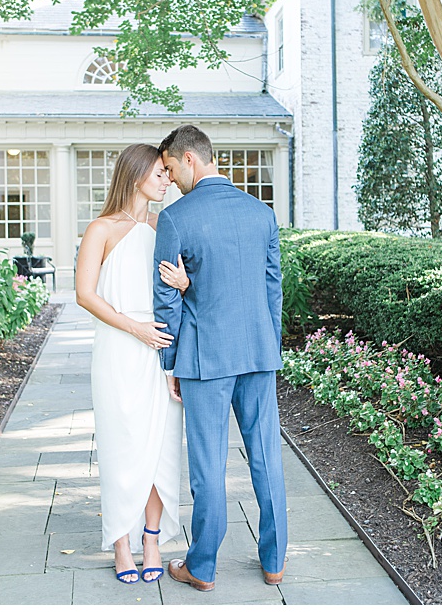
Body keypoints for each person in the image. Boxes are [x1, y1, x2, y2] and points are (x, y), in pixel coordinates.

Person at [153, 124, 288, 592]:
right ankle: (275, 562)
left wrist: (170, 360)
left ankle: (203, 567)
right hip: (257, 353)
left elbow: (165, 300)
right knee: (267, 456)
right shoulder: (261, 214)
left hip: (204, 358)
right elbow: (273, 290)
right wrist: (271, 348)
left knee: (208, 463)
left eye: (169, 167)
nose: (168, 179)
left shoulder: (176, 218)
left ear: (190, 159)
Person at [75, 143, 191, 585]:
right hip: (120, 348)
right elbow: (86, 295)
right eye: (160, 173)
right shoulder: (101, 229)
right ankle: (121, 542)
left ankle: (152, 540)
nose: (167, 180)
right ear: (136, 174)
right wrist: (135, 328)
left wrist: (185, 282)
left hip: (161, 352)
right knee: (122, 444)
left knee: (162, 447)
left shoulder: (166, 226)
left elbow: (184, 288)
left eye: (168, 172)